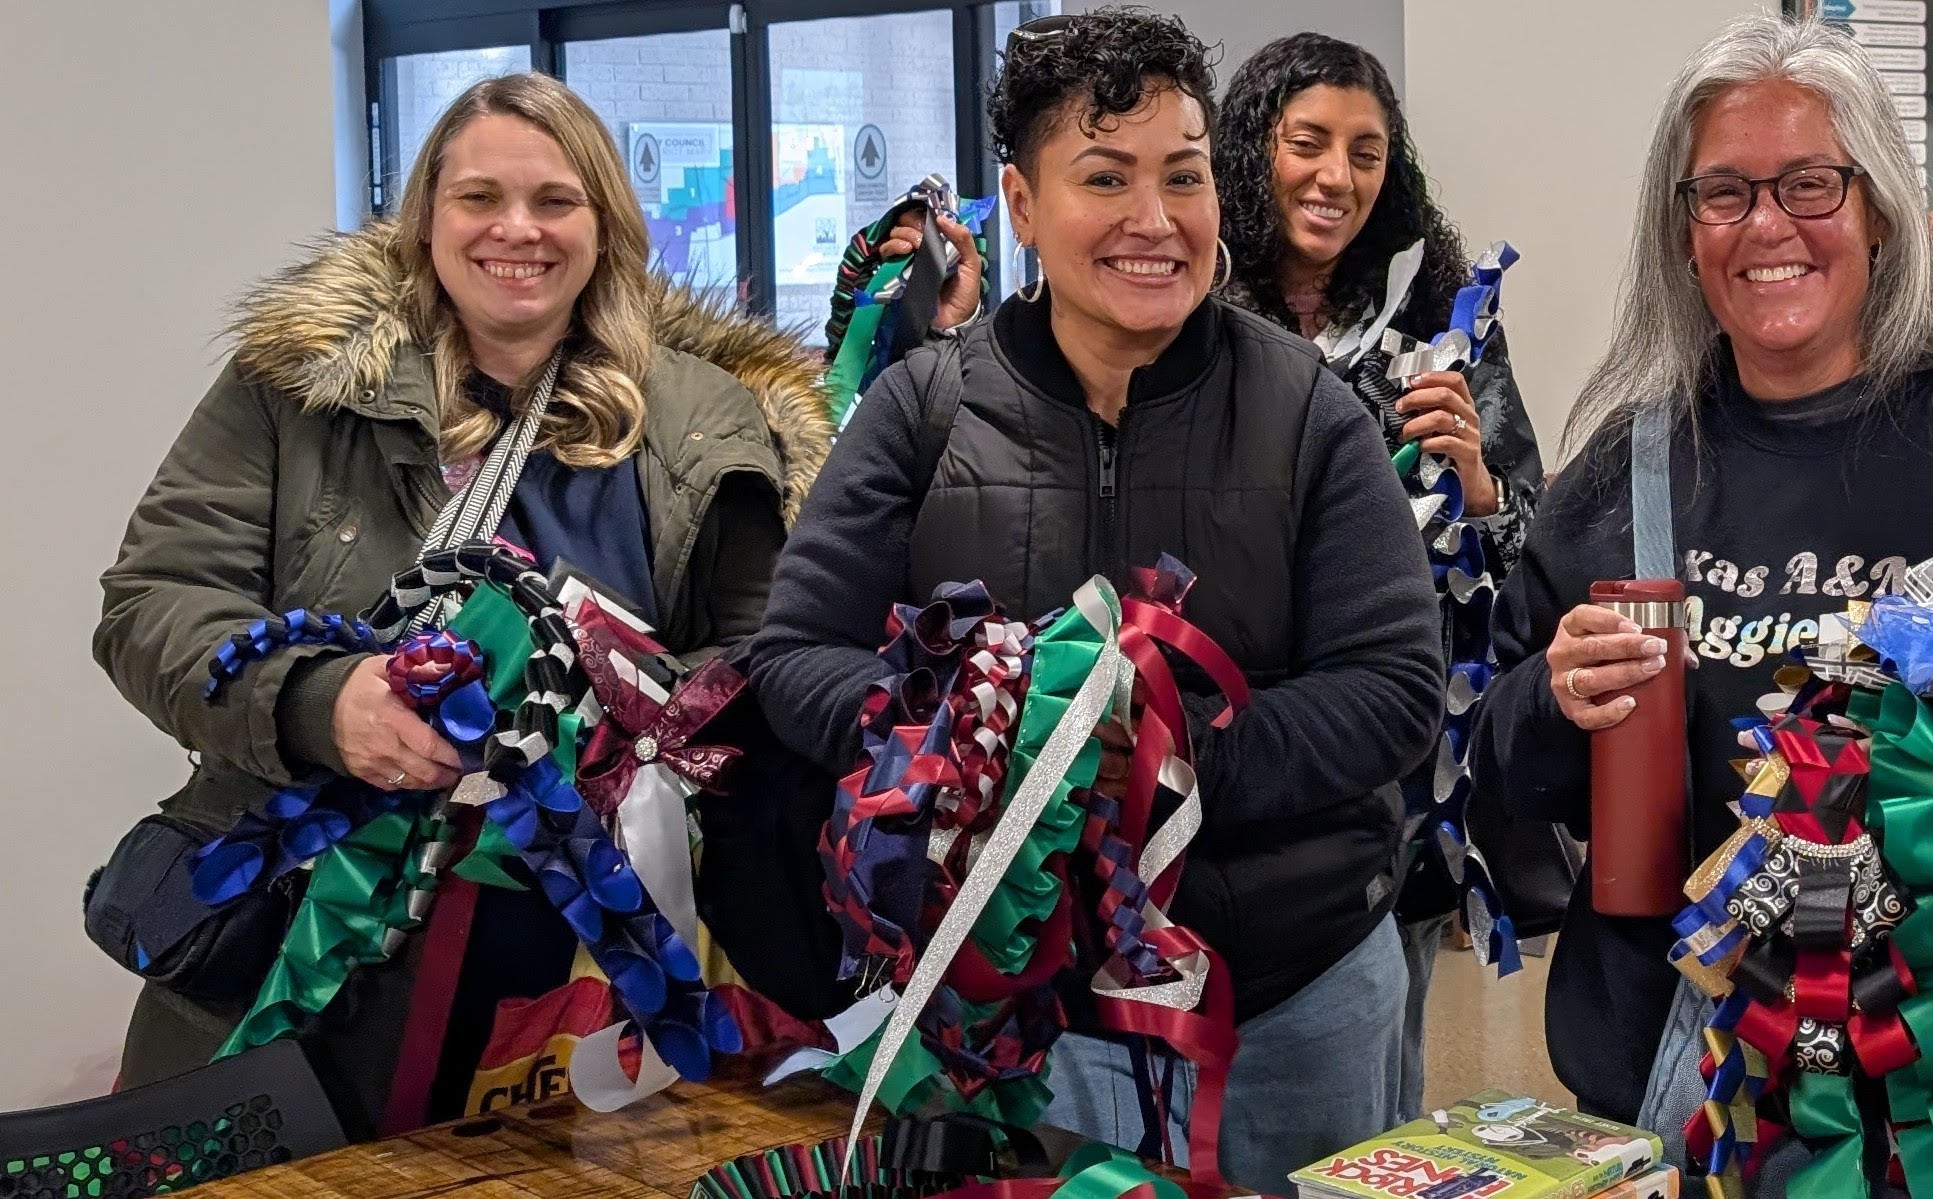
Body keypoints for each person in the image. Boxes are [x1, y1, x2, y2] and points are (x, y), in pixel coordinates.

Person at [1469, 13, 1933, 1185]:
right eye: (1725, 192)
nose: (1768, 225)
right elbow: (1505, 791)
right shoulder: (1623, 471)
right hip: (1684, 1093)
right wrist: (1553, 705)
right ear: (1684, 232)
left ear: (1880, 210)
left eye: (1810, 183)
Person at [740, 9, 1442, 1191]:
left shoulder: (1310, 412)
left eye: (1183, 176)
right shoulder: (921, 411)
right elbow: (796, 654)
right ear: (1022, 204)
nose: (1154, 220)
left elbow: (1394, 686)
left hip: (1291, 1000)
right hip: (1013, 1019)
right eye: (1105, 177)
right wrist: (979, 735)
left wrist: (1169, 753)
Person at [95, 72, 828, 1131]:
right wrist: (318, 699)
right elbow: (152, 600)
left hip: (579, 964)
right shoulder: (301, 386)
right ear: (426, 218)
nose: (515, 230)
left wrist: (623, 727)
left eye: (555, 200)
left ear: (604, 225)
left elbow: (756, 666)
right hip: (304, 936)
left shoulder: (705, 417)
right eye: (479, 197)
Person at [1213, 30, 1545, 1123]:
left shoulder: (1439, 319)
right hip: (1240, 743)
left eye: (1366, 152)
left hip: (1403, 758)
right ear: (1251, 150)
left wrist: (1477, 483)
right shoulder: (1196, 317)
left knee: (1380, 1056)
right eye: (1308, 142)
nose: (1336, 176)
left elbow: (1528, 536)